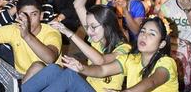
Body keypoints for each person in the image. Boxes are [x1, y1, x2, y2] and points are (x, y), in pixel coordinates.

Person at [23, 0, 131, 92]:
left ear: (107, 26)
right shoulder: (97, 36)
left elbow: (100, 61)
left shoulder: (124, 48)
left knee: (70, 76)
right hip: (87, 88)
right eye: (88, 27)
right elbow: (78, 4)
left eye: (93, 27)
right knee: (54, 69)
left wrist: (70, 34)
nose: (89, 31)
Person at [22, 17, 178, 92]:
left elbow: (150, 83)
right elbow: (102, 70)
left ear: (162, 44)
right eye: (143, 31)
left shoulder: (166, 62)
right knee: (57, 69)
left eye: (151, 34)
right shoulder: (131, 59)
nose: (144, 36)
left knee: (69, 77)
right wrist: (81, 68)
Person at [0, 0, 62, 91]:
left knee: (38, 66)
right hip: (18, 79)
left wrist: (27, 36)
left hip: (45, 82)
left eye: (34, 14)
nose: (28, 19)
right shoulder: (14, 29)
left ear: (41, 16)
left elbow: (50, 59)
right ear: (17, 16)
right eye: (24, 15)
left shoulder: (51, 32)